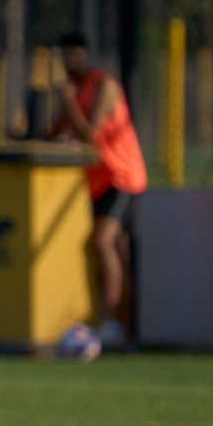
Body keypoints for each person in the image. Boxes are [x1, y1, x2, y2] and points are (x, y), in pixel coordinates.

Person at [48, 33, 147, 347]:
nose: (71, 62)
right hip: (94, 182)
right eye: (66, 57)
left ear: (87, 56)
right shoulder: (74, 92)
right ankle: (122, 329)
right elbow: (54, 133)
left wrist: (68, 104)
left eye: (76, 55)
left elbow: (88, 134)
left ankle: (110, 323)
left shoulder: (104, 86)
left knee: (103, 242)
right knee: (116, 251)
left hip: (121, 177)